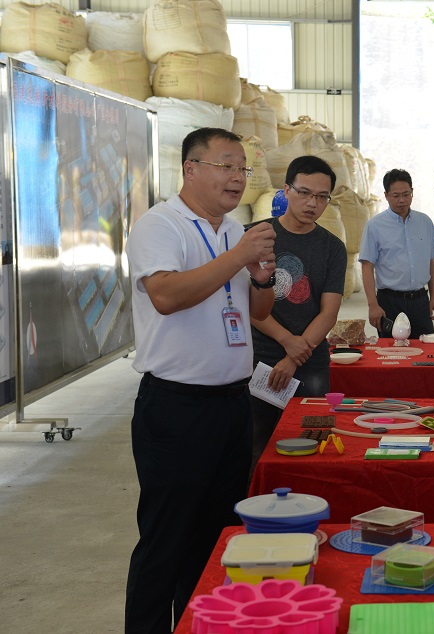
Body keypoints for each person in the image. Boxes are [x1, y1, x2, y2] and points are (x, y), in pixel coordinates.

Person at [125, 127, 277, 633]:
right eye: (226, 165)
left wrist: (261, 277)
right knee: (166, 540)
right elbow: (166, 296)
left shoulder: (233, 230)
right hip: (176, 408)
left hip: (232, 405)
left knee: (215, 540)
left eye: (242, 168)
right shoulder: (160, 225)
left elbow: (258, 311)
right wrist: (238, 257)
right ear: (190, 169)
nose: (238, 178)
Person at [248, 156, 346, 476]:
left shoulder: (333, 247)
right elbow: (246, 305)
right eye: (304, 192)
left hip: (310, 360)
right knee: (257, 445)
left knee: (313, 443)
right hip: (260, 358)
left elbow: (329, 313)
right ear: (286, 190)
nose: (312, 203)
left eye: (322, 197)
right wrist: (286, 341)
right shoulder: (255, 237)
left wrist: (294, 356)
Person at [360, 168, 434, 339]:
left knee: (425, 346)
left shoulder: (425, 222)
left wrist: (433, 298)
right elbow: (367, 267)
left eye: (406, 194)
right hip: (390, 302)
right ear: (386, 195)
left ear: (412, 192)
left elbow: (431, 262)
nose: (402, 200)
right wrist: (372, 305)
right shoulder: (374, 226)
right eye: (396, 195)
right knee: (391, 351)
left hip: (420, 300)